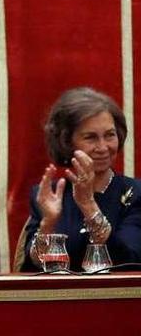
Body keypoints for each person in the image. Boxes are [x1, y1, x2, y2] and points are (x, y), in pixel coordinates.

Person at [19, 87, 141, 272]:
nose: (103, 147)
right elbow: (32, 268)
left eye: (110, 135)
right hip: (58, 298)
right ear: (67, 142)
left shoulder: (135, 194)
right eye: (90, 137)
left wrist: (89, 205)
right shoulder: (49, 196)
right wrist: (48, 223)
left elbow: (131, 262)